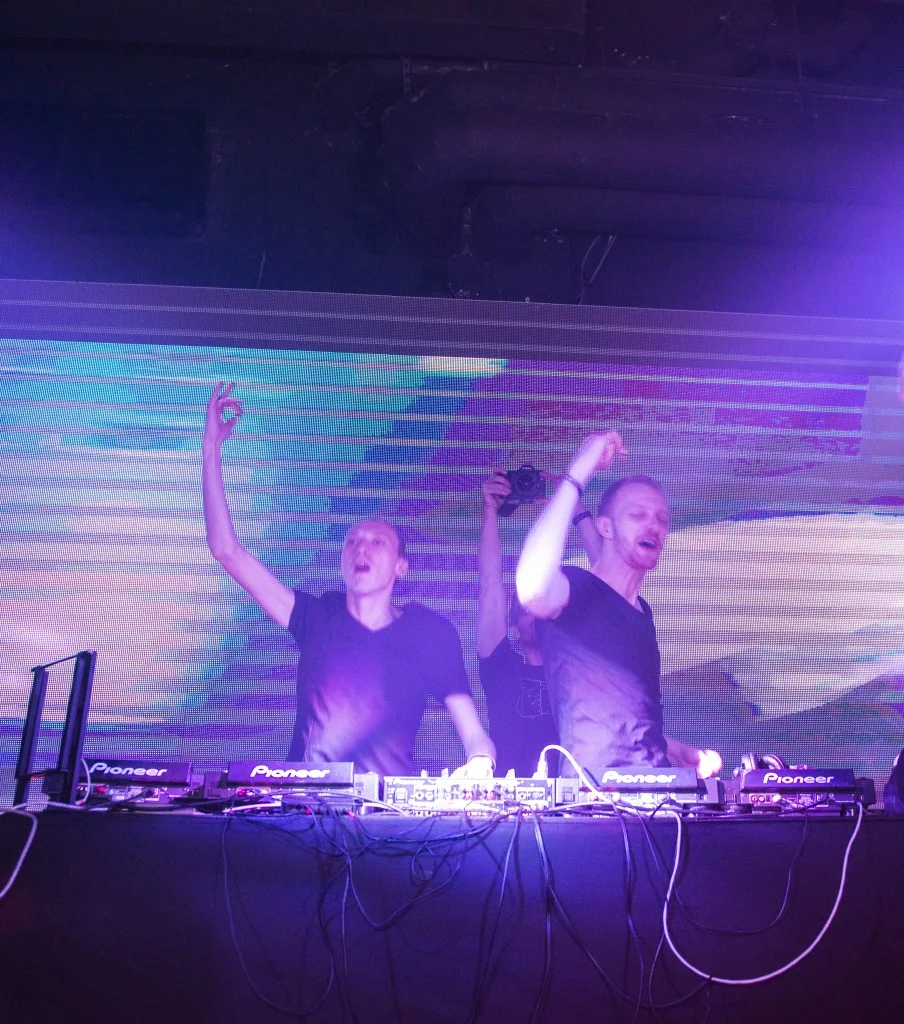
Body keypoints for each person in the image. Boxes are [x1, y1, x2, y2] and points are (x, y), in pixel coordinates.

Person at [202, 382, 496, 777]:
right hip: (307, 801)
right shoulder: (316, 617)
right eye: (353, 542)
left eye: (378, 543)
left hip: (390, 810)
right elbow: (227, 551)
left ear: (400, 566)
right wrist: (211, 448)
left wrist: (479, 764)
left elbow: (476, 736)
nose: (362, 550)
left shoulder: (430, 633)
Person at [515, 431, 720, 775]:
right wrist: (577, 475)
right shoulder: (576, 589)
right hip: (595, 795)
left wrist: (674, 750)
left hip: (654, 788)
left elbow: (621, 724)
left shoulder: (641, 613)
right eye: (638, 515)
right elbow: (533, 590)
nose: (653, 526)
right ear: (606, 528)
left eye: (662, 519)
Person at [477, 469, 602, 776]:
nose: (537, 615)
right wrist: (490, 512)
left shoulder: (581, 670)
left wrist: (575, 507)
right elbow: (490, 585)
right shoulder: (500, 668)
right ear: (515, 623)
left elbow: (609, 588)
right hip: (507, 799)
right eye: (527, 609)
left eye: (545, 606)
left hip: (576, 797)